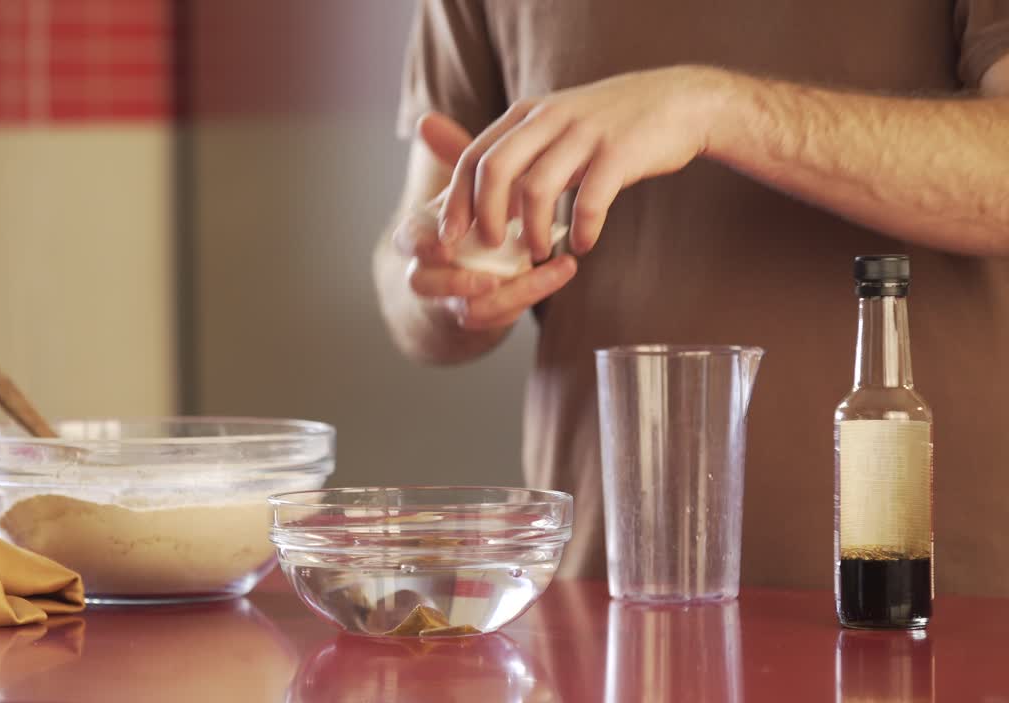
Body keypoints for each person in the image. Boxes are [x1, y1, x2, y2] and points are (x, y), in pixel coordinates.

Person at [374, 0, 1009, 594]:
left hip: (942, 604)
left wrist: (713, 108)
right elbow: (413, 276)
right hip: (613, 605)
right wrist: (453, 280)